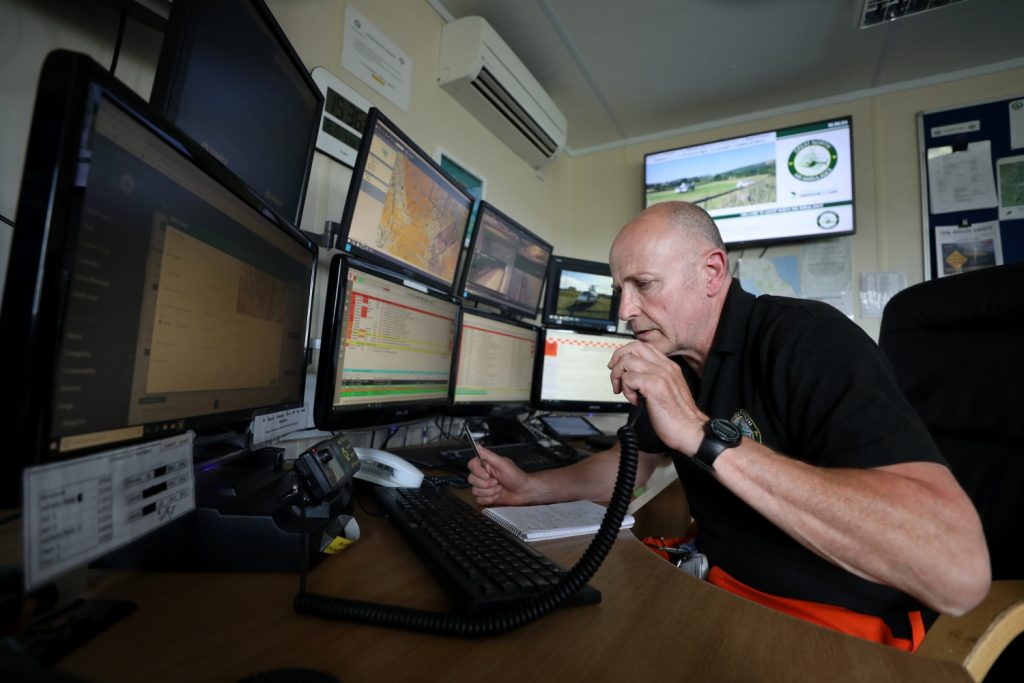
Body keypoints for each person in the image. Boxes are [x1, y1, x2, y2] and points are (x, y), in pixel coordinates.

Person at [468, 200, 990, 651]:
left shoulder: (810, 341)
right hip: (719, 587)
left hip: (833, 619)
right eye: (620, 289)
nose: (625, 310)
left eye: (644, 285)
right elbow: (632, 465)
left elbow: (957, 570)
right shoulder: (674, 362)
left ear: (713, 272)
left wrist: (700, 433)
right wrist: (532, 487)